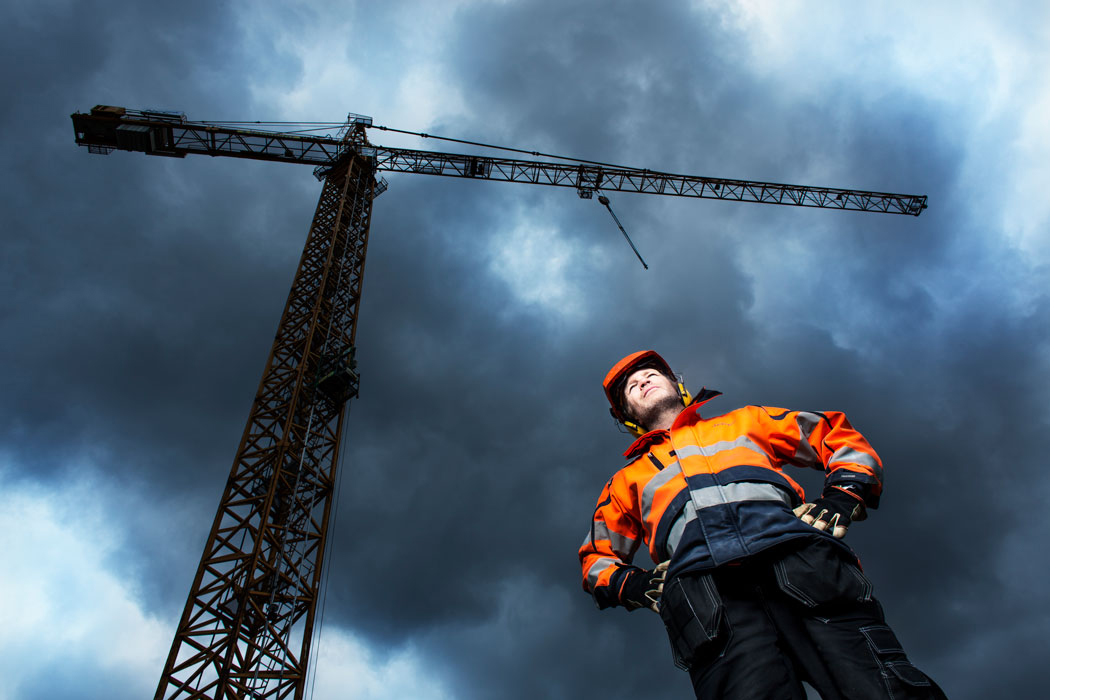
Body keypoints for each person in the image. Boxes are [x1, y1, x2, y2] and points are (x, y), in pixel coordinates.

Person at [578, 350, 947, 700]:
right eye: (631, 386)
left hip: (806, 569)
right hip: (712, 608)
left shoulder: (746, 422)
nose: (642, 382)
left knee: (883, 690)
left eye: (650, 374)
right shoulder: (625, 483)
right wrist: (634, 584)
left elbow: (833, 435)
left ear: (678, 385)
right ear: (627, 415)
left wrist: (843, 495)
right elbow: (597, 558)